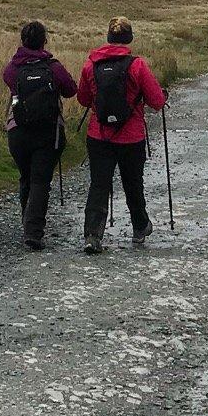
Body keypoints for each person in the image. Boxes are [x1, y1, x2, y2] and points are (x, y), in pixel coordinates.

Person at [76, 17, 168, 254]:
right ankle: (139, 227)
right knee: (133, 183)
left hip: (99, 135)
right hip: (131, 136)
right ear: (129, 39)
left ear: (108, 37)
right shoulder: (137, 65)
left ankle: (93, 235)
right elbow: (157, 101)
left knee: (99, 184)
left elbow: (83, 99)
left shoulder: (90, 65)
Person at [2, 21, 76, 249]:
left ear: (23, 41)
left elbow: (7, 79)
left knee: (26, 176)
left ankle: (28, 223)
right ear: (45, 41)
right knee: (40, 180)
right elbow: (71, 89)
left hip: (18, 132)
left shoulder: (13, 68)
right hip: (48, 132)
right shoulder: (52, 67)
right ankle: (33, 232)